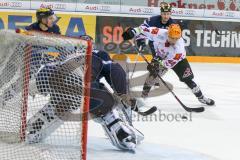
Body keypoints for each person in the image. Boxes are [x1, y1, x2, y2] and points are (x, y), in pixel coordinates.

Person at [122, 24, 215, 106]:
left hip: (179, 62)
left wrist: (158, 63)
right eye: (172, 37)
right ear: (168, 34)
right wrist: (133, 31)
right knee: (151, 77)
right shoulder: (160, 33)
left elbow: (170, 63)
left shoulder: (179, 48)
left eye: (176, 38)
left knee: (188, 80)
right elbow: (143, 29)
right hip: (161, 56)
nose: (174, 40)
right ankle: (143, 97)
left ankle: (201, 97)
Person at [136, 2, 176, 94]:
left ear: (170, 14)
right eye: (164, 14)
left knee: (162, 64)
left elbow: (175, 39)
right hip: (154, 43)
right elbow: (142, 29)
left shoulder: (173, 24)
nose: (166, 16)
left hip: (165, 46)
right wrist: (140, 41)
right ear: (161, 13)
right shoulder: (152, 20)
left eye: (168, 14)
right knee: (155, 63)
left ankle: (156, 76)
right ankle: (153, 80)